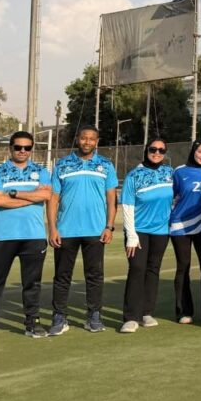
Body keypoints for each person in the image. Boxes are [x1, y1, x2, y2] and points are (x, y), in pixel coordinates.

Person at [0, 131, 52, 345]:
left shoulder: (41, 171)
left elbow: (46, 195)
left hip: (33, 236)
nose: (22, 151)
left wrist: (14, 194)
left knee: (32, 283)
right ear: (10, 148)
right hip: (2, 237)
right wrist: (31, 197)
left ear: (32, 149)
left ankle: (32, 323)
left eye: (27, 148)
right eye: (18, 147)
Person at [47, 125, 118, 336]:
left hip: (96, 231)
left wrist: (109, 226)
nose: (87, 142)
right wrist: (52, 228)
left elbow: (111, 199)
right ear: (78, 139)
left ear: (97, 141)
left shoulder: (106, 165)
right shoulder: (62, 164)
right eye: (84, 138)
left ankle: (94, 316)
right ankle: (59, 317)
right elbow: (53, 199)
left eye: (91, 139)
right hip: (66, 230)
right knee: (62, 276)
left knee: (94, 276)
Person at [118, 139, 174, 333]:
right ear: (146, 150)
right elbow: (127, 206)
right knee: (137, 269)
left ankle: (146, 312)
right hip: (139, 231)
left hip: (161, 231)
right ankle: (131, 317)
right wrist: (131, 235)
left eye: (161, 150)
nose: (157, 153)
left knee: (153, 270)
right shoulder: (134, 175)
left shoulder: (169, 172)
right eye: (153, 149)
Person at [170, 139, 201, 325]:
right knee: (183, 266)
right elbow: (170, 197)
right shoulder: (179, 171)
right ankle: (184, 311)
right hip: (180, 226)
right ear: (193, 151)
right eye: (200, 151)